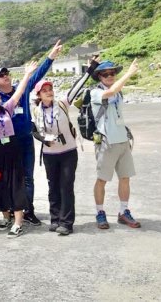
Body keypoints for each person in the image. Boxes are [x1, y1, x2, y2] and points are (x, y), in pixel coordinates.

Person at [0, 40, 62, 226]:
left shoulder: (22, 90)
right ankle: (12, 211)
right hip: (8, 143)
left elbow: (38, 75)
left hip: (25, 140)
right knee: (11, 178)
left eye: (6, 73)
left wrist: (51, 57)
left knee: (28, 177)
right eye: (1, 75)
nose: (6, 76)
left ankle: (28, 210)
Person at [31, 57, 100, 235]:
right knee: (53, 186)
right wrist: (44, 139)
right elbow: (33, 130)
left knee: (66, 186)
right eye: (44, 90)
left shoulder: (62, 103)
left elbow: (76, 88)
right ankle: (55, 219)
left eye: (50, 89)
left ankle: (66, 223)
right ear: (38, 95)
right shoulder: (36, 110)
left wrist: (91, 68)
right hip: (49, 154)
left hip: (68, 152)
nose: (49, 92)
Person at [0, 62, 38, 237]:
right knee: (0, 185)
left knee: (17, 184)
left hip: (12, 149)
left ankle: (18, 222)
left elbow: (19, 91)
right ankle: (6, 216)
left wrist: (27, 74)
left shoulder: (7, 109)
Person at [91, 59, 141, 229]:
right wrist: (129, 73)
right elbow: (110, 92)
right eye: (105, 74)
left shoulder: (118, 92)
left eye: (112, 73)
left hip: (122, 140)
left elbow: (115, 91)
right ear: (99, 77)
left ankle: (123, 211)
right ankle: (100, 212)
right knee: (102, 179)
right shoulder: (95, 93)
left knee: (125, 178)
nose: (110, 76)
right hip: (106, 141)